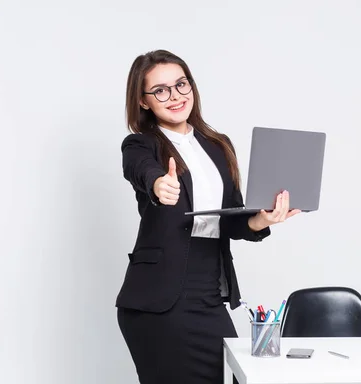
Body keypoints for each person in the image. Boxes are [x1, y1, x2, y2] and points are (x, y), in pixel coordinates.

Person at [115, 49, 300, 384]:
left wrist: (263, 220)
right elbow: (141, 171)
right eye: (160, 90)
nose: (175, 96)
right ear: (143, 101)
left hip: (209, 292)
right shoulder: (141, 145)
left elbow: (230, 217)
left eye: (181, 84)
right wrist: (158, 183)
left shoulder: (217, 146)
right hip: (158, 303)